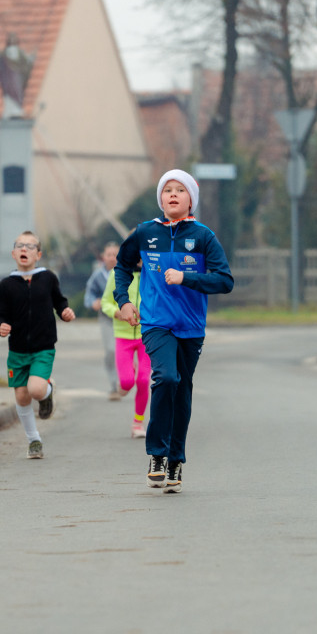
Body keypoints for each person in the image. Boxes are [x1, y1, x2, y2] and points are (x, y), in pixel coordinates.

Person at [113, 169, 233, 493]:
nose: (173, 195)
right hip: (155, 323)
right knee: (166, 378)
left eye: (180, 190)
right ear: (161, 199)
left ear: (191, 199)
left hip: (191, 327)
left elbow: (225, 280)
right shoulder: (144, 233)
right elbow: (122, 266)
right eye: (168, 190)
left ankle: (176, 460)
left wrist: (186, 278)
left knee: (182, 391)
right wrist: (124, 301)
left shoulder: (203, 236)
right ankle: (157, 454)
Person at [0, 231, 75, 459]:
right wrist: (1, 326)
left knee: (36, 390)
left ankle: (47, 392)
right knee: (21, 396)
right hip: (17, 350)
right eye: (20, 245)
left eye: (30, 246)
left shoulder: (48, 278)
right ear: (13, 253)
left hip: (43, 347)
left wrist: (65, 312)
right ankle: (34, 440)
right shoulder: (6, 285)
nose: (24, 249)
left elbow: (60, 301)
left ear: (38, 255)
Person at [101, 260, 150, 438]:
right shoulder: (117, 273)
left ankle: (138, 422)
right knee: (127, 382)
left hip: (147, 335)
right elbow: (106, 302)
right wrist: (117, 312)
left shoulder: (152, 271)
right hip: (123, 336)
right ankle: (130, 372)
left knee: (143, 380)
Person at [85, 241, 121, 400]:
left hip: (126, 318)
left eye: (115, 255)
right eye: (109, 255)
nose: (112, 258)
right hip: (107, 319)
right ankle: (114, 386)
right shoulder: (98, 276)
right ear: (103, 257)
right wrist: (93, 302)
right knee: (111, 351)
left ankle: (128, 378)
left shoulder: (127, 272)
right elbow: (89, 294)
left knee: (127, 351)